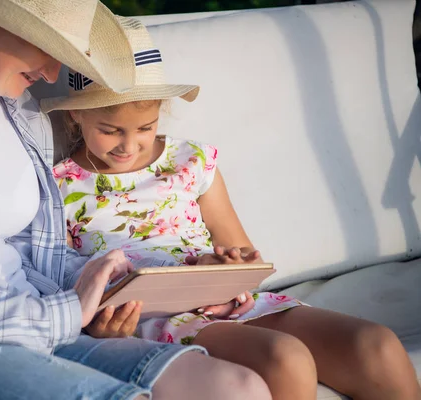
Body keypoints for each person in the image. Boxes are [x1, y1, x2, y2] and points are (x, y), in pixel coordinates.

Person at [0, 1, 273, 399]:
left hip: (29, 328)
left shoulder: (21, 110)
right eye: (47, 47)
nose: (54, 73)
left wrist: (140, 288)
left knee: (238, 389)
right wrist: (65, 312)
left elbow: (36, 254)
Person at [44, 17, 421, 400]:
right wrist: (97, 323)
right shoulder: (59, 185)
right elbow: (59, 280)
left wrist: (229, 265)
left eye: (145, 127)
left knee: (376, 345)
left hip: (227, 300)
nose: (129, 145)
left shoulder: (190, 161)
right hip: (153, 315)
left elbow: (241, 254)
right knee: (284, 358)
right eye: (110, 130)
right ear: (76, 113)